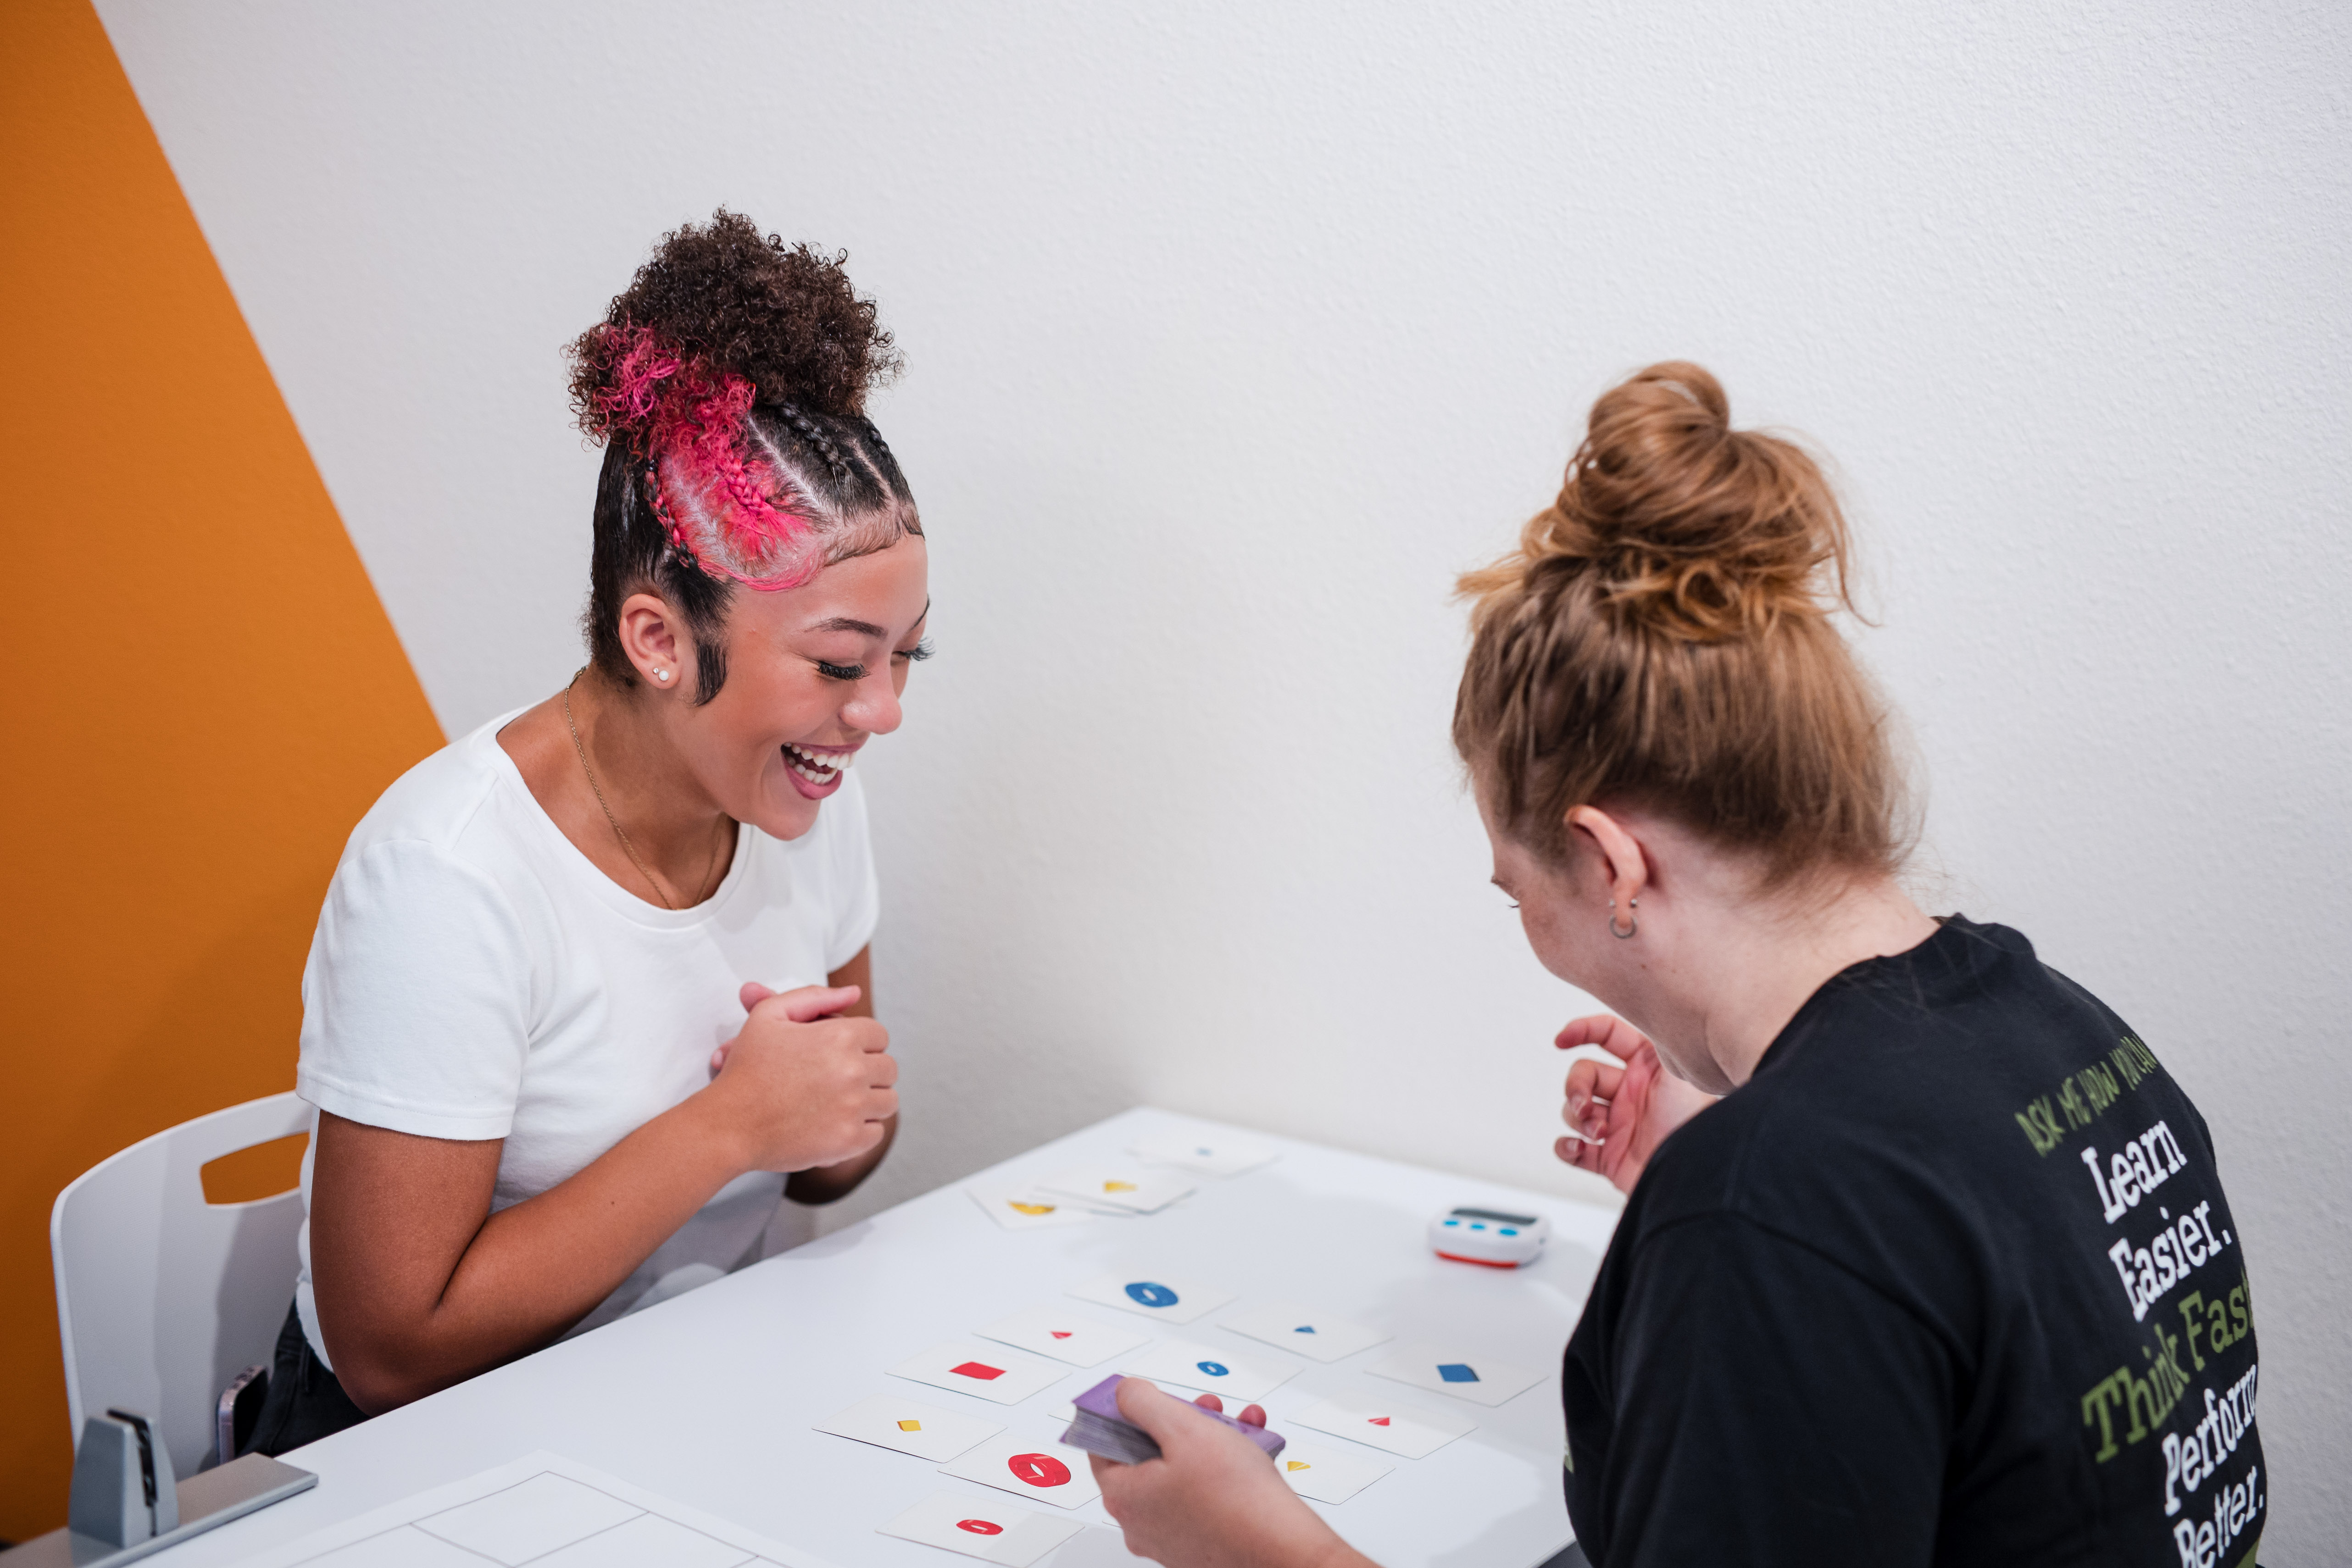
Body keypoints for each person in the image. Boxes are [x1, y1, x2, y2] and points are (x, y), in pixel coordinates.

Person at [1088, 363, 2264, 1567]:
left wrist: (1260, 1549)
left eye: (1518, 889)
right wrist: (1733, 1174)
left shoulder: (1777, 1206)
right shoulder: (2075, 1037)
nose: (1529, 923)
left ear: (1611, 866)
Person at [245, 212, 929, 1453]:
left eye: (902, 658)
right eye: (841, 663)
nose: (880, 713)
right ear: (659, 638)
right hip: (409, 1459)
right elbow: (389, 1348)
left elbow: (830, 1153)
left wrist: (832, 1115)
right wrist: (729, 1128)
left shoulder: (806, 794)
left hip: (673, 1403)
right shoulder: (447, 876)